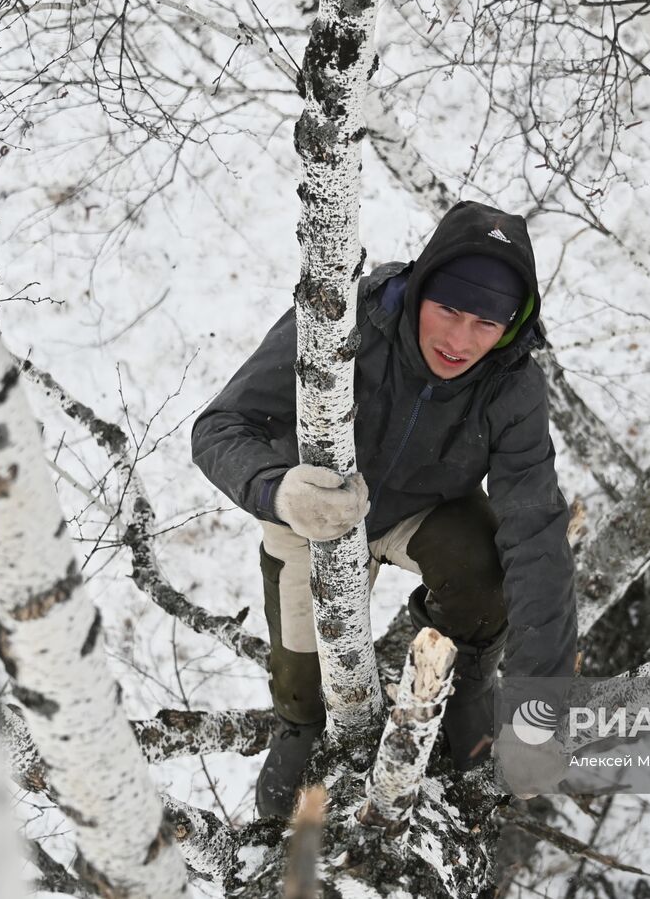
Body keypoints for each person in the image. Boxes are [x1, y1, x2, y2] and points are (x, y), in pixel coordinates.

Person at [192, 200, 577, 817]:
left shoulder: (512, 383)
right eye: (449, 309)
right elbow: (219, 427)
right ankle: (295, 723)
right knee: (307, 687)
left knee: (489, 572)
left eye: (486, 323)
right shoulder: (347, 320)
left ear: (511, 326)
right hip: (314, 509)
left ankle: (467, 681)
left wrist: (541, 712)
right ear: (420, 287)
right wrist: (278, 491)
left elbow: (537, 529)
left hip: (423, 509)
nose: (460, 340)